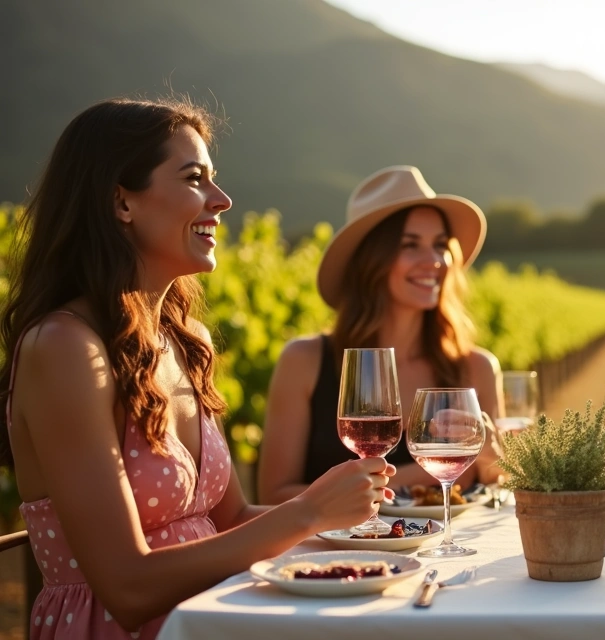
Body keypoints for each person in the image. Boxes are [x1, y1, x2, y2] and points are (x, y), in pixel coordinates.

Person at [0, 98, 395, 638]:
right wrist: (307, 513)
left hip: (215, 619)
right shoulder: (66, 348)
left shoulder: (183, 341)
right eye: (195, 179)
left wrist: (367, 531)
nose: (222, 199)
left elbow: (229, 522)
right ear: (121, 202)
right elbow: (128, 587)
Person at [258, 165, 502, 505]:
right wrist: (423, 474)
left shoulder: (476, 367)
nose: (433, 260)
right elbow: (272, 496)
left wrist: (488, 447)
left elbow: (496, 488)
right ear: (373, 260)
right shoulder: (304, 361)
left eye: (440, 245)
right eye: (410, 244)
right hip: (334, 556)